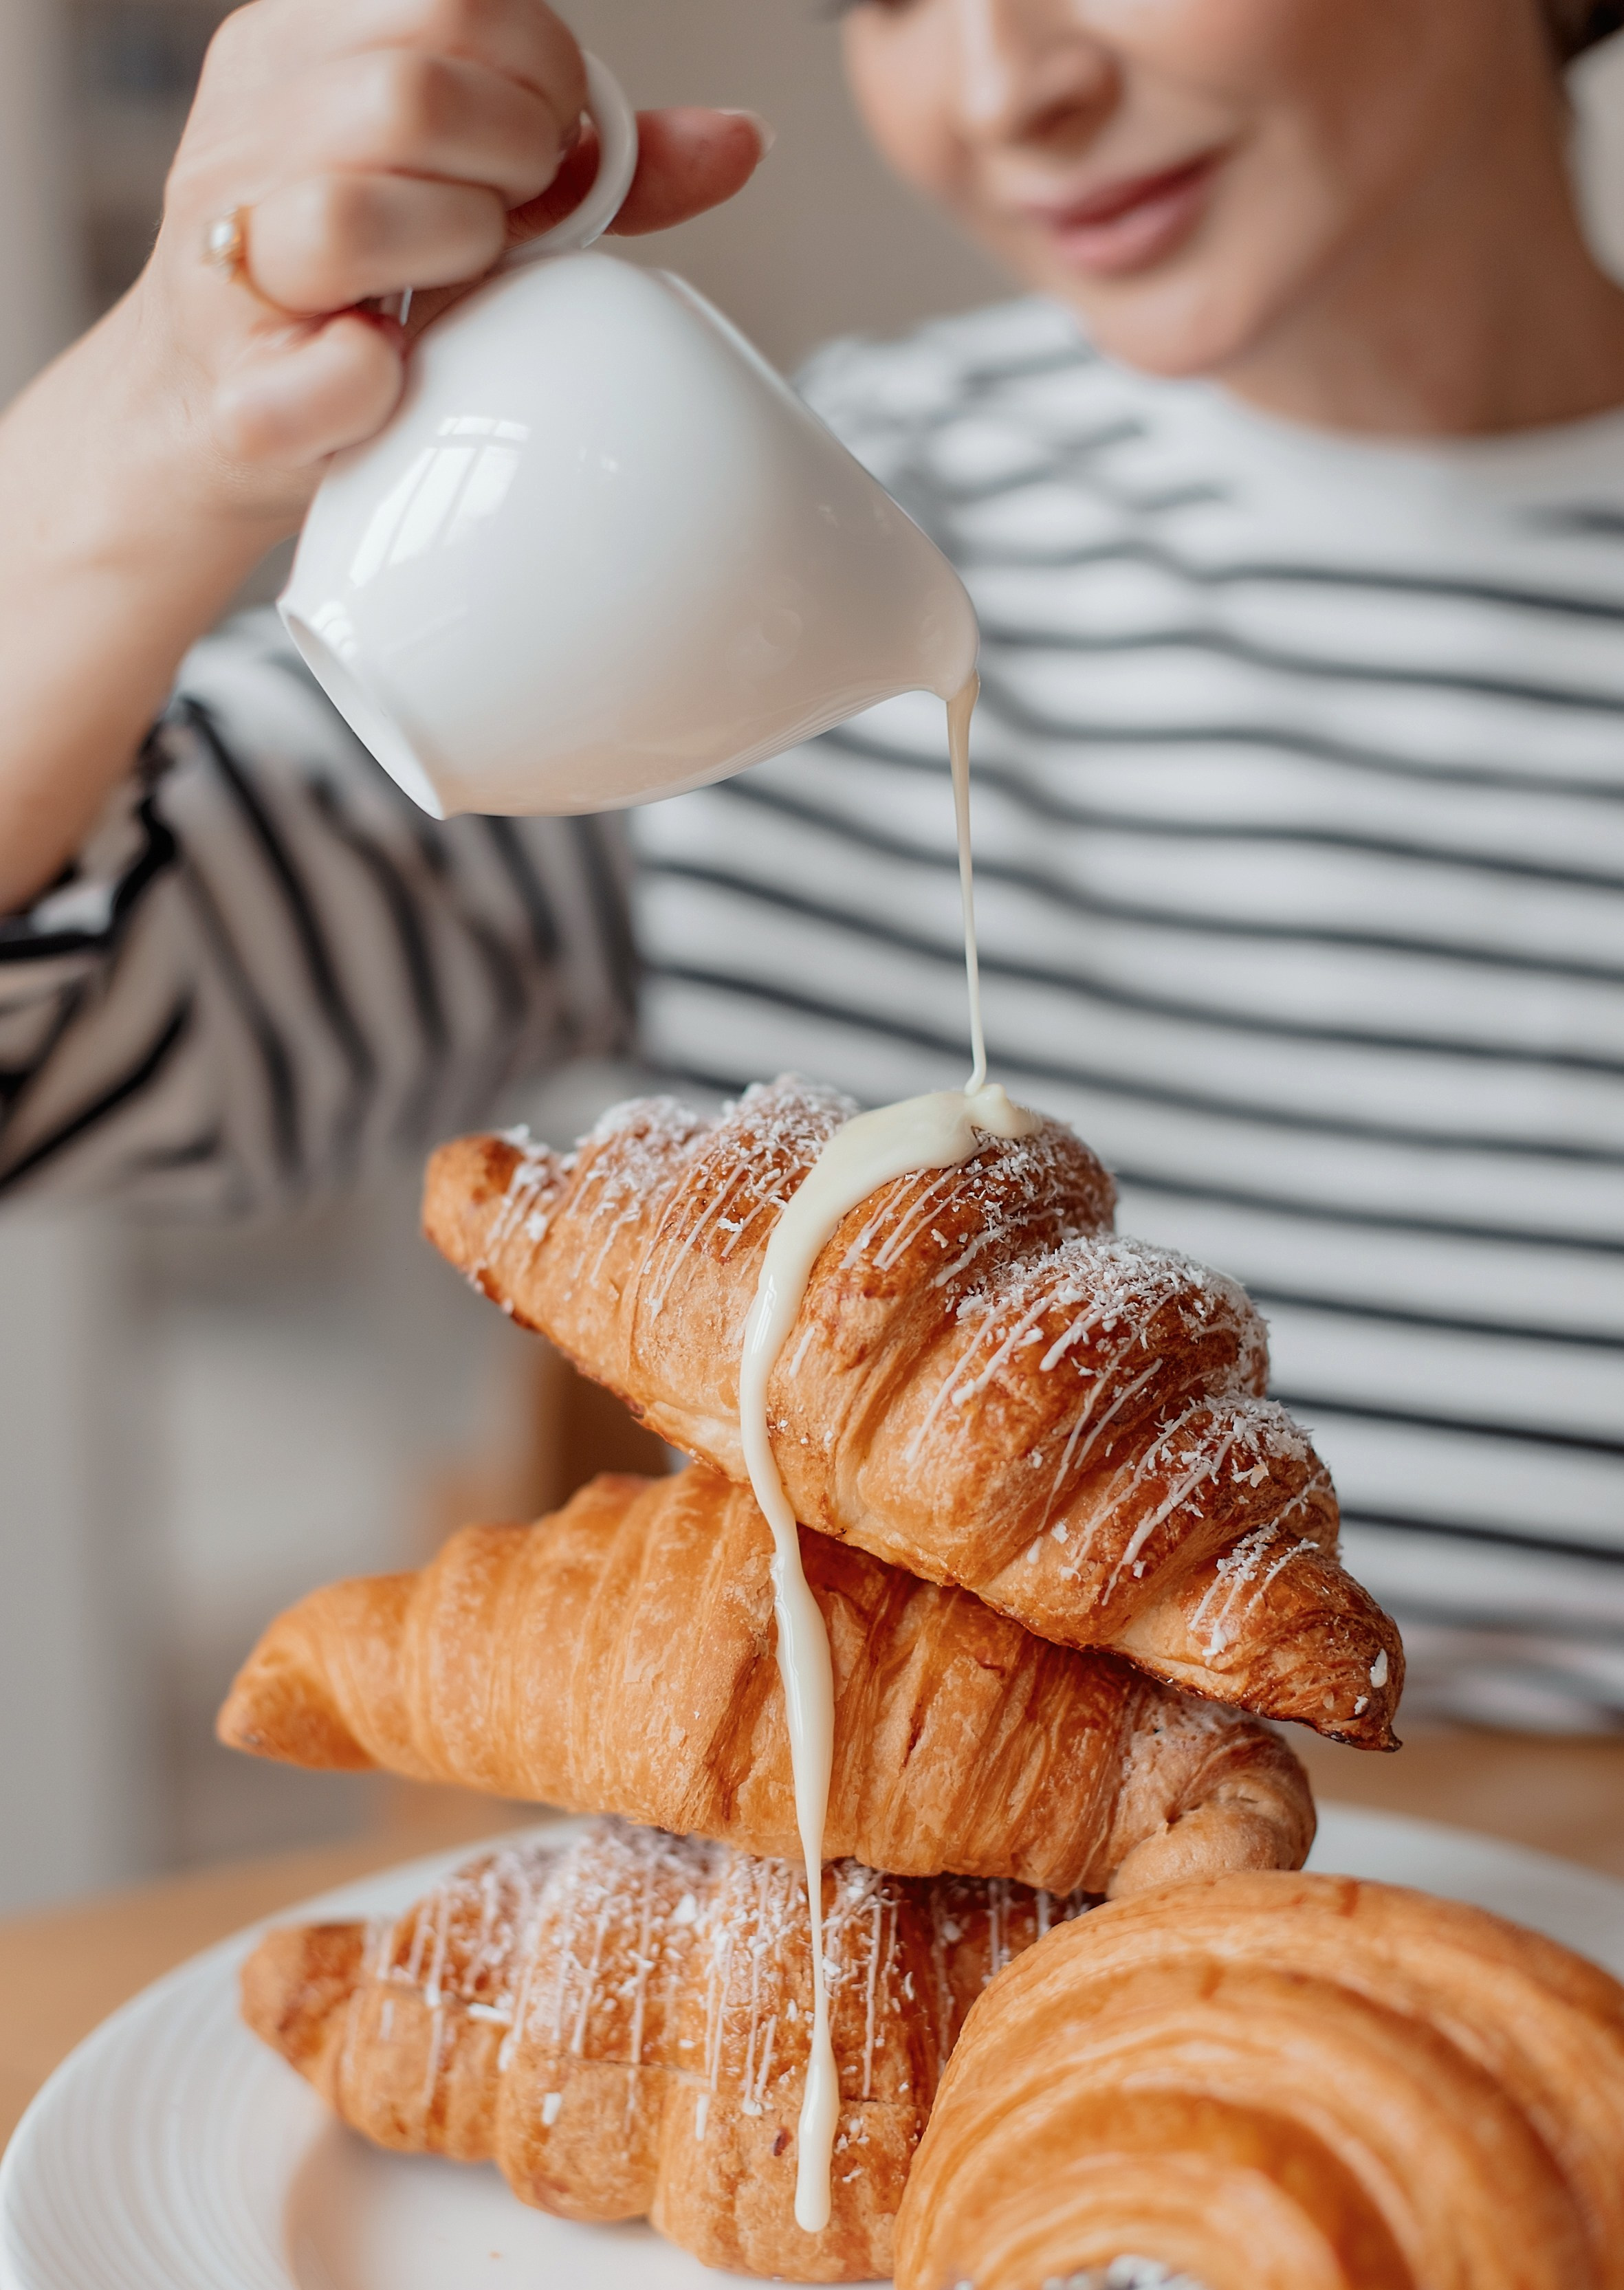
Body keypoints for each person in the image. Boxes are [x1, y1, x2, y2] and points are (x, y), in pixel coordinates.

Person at [1, 0, 1621, 1728]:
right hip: (911, 1968)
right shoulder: (758, 556)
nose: (1007, 90)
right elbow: (47, 1045)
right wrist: (138, 445)